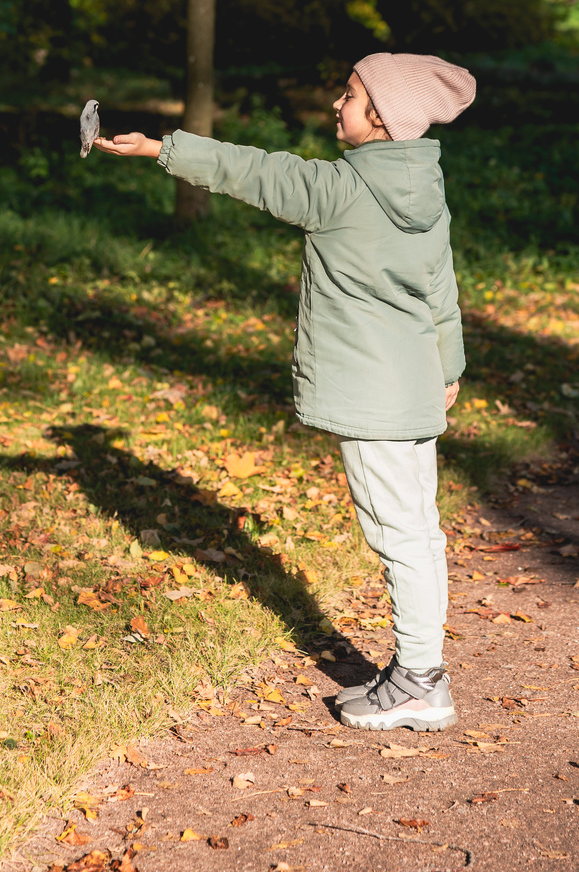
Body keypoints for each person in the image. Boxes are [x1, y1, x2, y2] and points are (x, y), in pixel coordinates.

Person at [94, 52, 475, 732]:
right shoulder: (425, 187)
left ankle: (419, 683)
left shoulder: (339, 188)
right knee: (419, 531)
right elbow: (439, 285)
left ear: (381, 117)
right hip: (415, 384)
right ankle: (422, 673)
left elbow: (251, 170)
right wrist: (449, 368)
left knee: (400, 538)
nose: (336, 103)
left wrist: (158, 147)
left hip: (375, 399)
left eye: (350, 95)